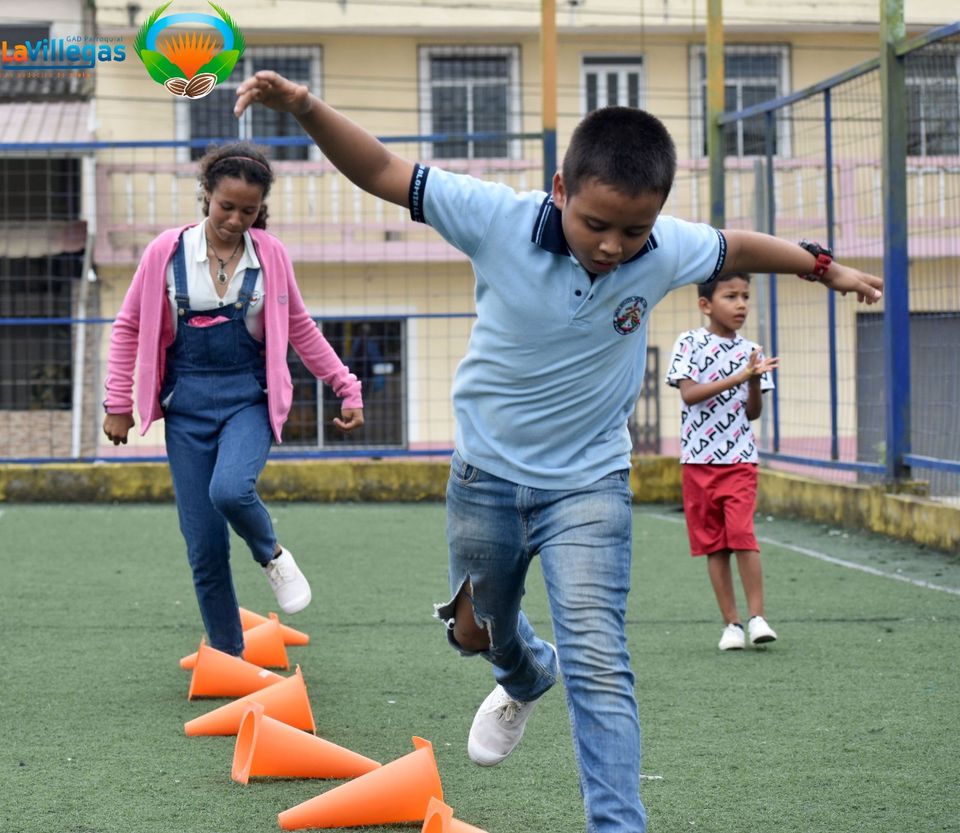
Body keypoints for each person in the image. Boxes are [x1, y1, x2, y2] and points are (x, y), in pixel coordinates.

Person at [233, 71, 883, 833]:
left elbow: (736, 244)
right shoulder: (495, 218)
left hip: (590, 484)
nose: (613, 246)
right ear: (560, 190)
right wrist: (304, 106)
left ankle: (617, 823)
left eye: (633, 231)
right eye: (596, 223)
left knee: (599, 661)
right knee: (473, 632)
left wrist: (822, 266)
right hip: (485, 475)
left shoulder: (665, 248)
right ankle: (524, 672)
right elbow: (381, 168)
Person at [102, 142, 364, 657]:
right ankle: (229, 655)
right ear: (206, 194)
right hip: (185, 405)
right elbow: (128, 326)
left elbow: (300, 327)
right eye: (226, 206)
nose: (235, 220)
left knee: (230, 490)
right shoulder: (165, 253)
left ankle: (272, 555)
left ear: (260, 209)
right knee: (203, 546)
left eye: (248, 211)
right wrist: (118, 403)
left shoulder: (270, 256)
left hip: (249, 399)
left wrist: (345, 385)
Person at [666, 272, 779, 651]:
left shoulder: (752, 351)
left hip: (740, 460)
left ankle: (757, 618)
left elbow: (753, 413)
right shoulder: (689, 342)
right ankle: (731, 624)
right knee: (714, 545)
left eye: (745, 296)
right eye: (731, 296)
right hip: (697, 462)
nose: (741, 304)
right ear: (705, 304)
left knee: (743, 535)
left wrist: (753, 381)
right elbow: (690, 394)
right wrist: (740, 376)